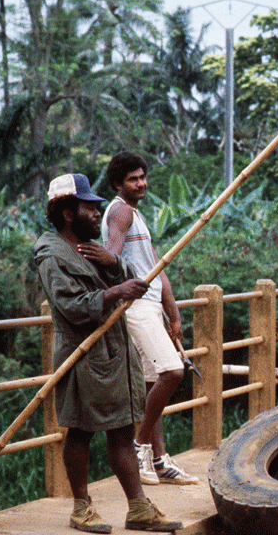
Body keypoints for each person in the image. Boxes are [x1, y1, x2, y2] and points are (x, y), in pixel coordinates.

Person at [34, 173, 182, 533]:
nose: (97, 215)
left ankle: (138, 508)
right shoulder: (52, 253)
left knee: (121, 430)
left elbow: (133, 278)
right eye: (89, 209)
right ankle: (81, 508)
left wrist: (114, 265)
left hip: (115, 353)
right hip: (82, 356)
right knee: (81, 431)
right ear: (68, 214)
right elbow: (71, 306)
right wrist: (116, 293)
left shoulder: (92, 249)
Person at [101, 152, 200, 486]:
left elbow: (157, 270)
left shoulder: (137, 215)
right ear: (118, 184)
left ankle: (159, 461)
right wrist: (105, 259)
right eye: (133, 179)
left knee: (149, 384)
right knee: (172, 371)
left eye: (142, 177)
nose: (140, 183)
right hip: (137, 307)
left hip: (152, 306)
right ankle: (138, 445)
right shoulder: (120, 211)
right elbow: (112, 255)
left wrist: (174, 316)